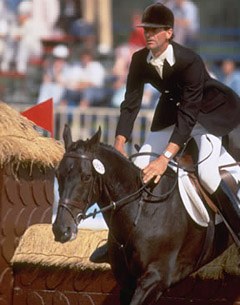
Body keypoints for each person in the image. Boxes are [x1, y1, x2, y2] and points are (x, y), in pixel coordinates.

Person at [90, 3, 240, 263]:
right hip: (172, 113)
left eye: (155, 30)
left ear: (169, 33)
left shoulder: (190, 60)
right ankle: (115, 242)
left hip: (205, 115)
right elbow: (130, 104)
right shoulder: (139, 60)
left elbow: (190, 114)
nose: (148, 34)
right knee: (136, 167)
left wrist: (164, 159)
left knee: (206, 174)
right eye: (146, 30)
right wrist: (119, 143)